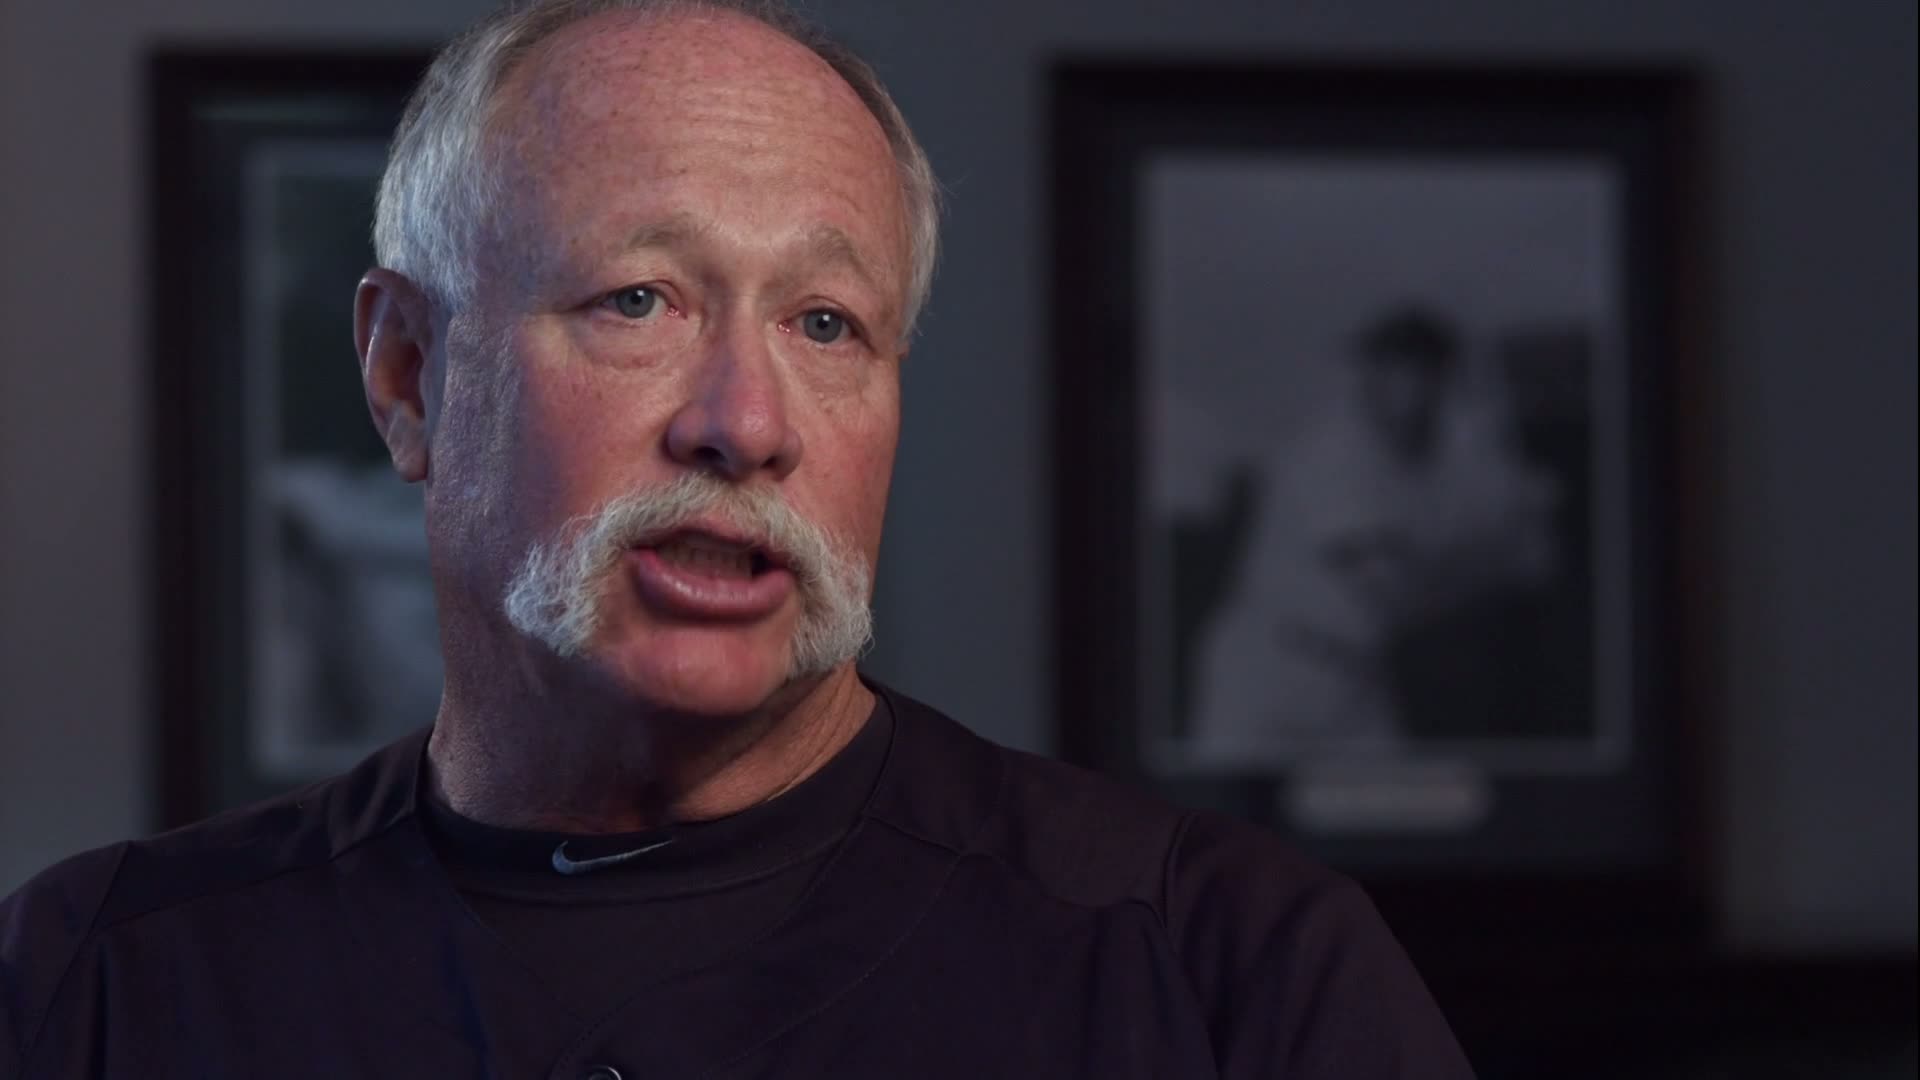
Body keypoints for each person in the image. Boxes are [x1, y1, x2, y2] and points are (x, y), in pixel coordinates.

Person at [0, 3, 1474, 1076]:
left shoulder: (1232, 973)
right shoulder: (98, 988)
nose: (746, 423)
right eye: (639, 300)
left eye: (826, 324)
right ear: (406, 375)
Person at [1187, 307, 1554, 757]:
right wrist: (1500, 563)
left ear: (1443, 377)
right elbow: (1393, 589)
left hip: (1359, 679)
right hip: (1266, 674)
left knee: (1393, 797)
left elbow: (1530, 548)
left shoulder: (1444, 462)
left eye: (1408, 367)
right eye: (1378, 363)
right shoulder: (1328, 454)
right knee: (1230, 801)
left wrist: (1504, 545)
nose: (1385, 380)